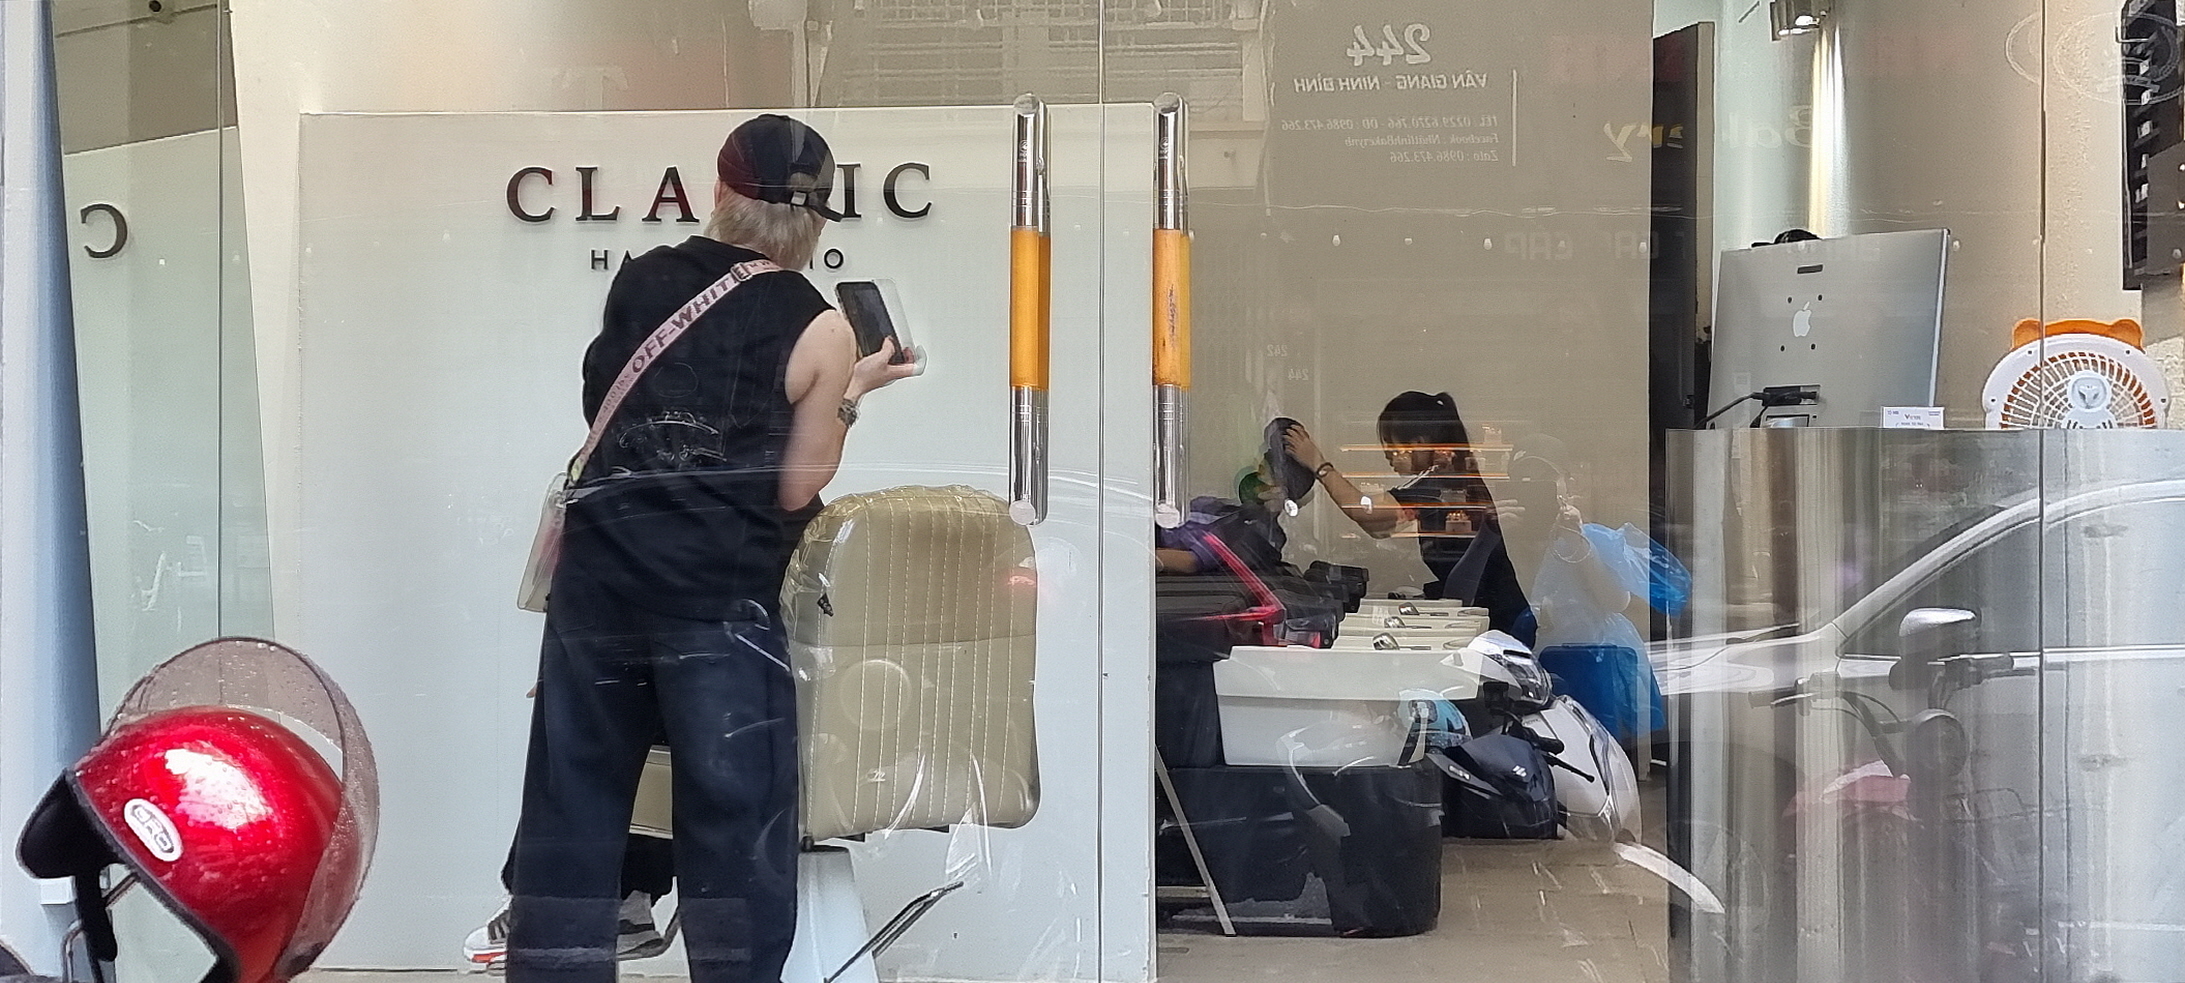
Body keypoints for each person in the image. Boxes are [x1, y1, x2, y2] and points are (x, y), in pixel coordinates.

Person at [502, 114, 916, 983]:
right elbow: (796, 486)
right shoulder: (820, 329)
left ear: (720, 190)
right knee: (733, 816)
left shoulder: (643, 280)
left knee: (572, 806)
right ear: (815, 217)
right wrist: (849, 394)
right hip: (717, 600)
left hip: (599, 588)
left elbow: (602, 410)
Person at [1279, 392, 1531, 637]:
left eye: (1391, 445)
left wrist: (1319, 465)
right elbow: (1380, 529)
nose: (1387, 454)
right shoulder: (1451, 477)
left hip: (1494, 620)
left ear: (1418, 443)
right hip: (1495, 612)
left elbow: (1368, 513)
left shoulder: (1437, 482)